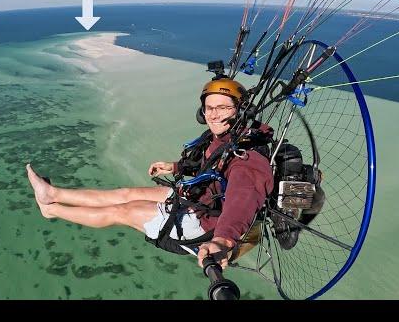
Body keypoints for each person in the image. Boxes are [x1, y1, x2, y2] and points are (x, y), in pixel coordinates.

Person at [26, 77, 274, 270]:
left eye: (222, 108)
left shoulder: (247, 158)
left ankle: (51, 209)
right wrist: (175, 167)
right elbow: (210, 166)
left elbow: (242, 199)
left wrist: (223, 241)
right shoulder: (225, 137)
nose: (213, 114)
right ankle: (51, 193)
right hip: (198, 198)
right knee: (126, 193)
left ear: (239, 111)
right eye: (208, 108)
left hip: (203, 224)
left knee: (122, 211)